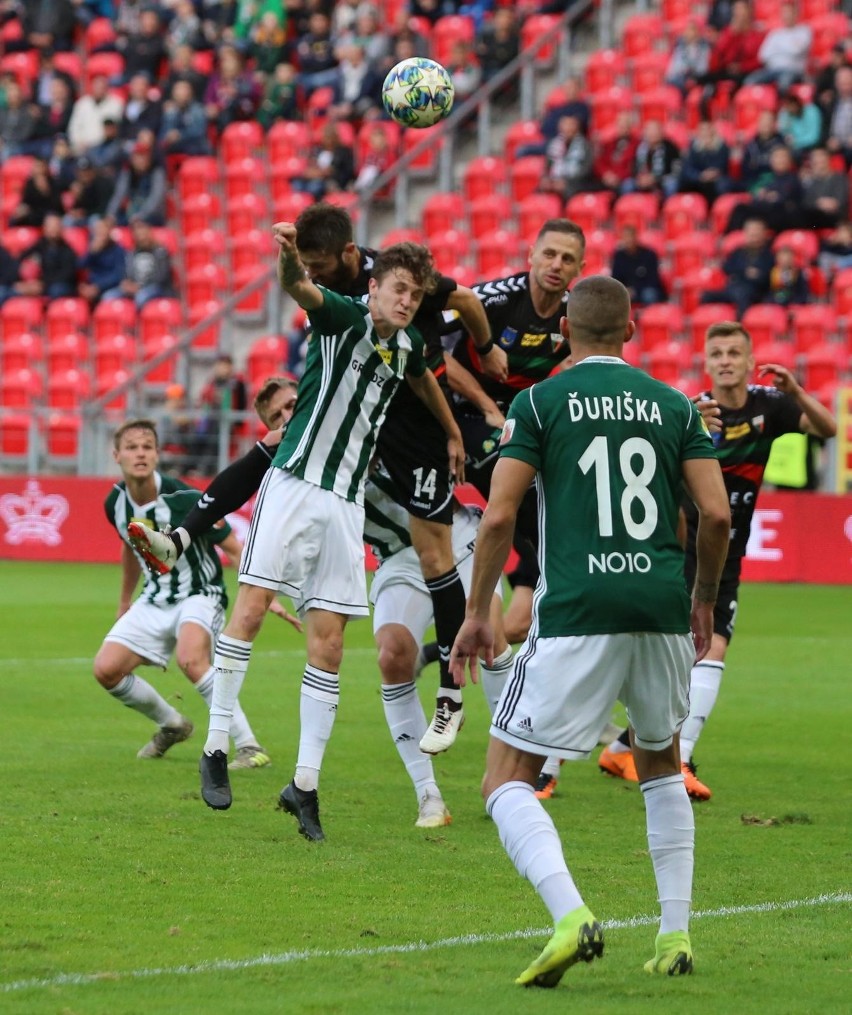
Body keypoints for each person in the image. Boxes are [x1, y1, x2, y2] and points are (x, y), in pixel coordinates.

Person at [449, 275, 730, 986]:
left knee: (504, 779)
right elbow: (716, 515)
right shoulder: (673, 405)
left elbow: (501, 514)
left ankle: (571, 914)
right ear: (631, 331)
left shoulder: (540, 400)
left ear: (566, 331)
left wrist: (478, 612)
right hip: (663, 608)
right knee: (660, 763)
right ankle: (674, 934)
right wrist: (702, 597)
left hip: (577, 609)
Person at [195, 232, 464, 842]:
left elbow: (423, 379)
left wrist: (451, 432)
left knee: (332, 647)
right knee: (253, 608)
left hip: (344, 506)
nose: (404, 300)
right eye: (397, 288)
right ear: (372, 288)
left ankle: (305, 786)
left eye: (414, 294)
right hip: (294, 484)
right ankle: (215, 748)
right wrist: (289, 255)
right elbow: (297, 286)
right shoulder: (343, 317)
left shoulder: (409, 345)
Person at [290, 204, 498, 755]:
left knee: (437, 555)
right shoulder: (332, 296)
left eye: (318, 264)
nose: (314, 273)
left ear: (351, 256)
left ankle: (452, 694)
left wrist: (486, 349)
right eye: (305, 265)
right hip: (364, 422)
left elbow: (460, 311)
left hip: (416, 434)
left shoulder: (401, 278)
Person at [600, 320, 836, 799]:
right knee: (690, 653)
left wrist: (796, 390)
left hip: (727, 550)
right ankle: (675, 761)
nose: (726, 360)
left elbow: (828, 430)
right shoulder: (690, 412)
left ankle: (625, 746)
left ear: (750, 362)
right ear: (705, 364)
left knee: (691, 655)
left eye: (734, 352)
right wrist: (680, 422)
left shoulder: (771, 406)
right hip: (677, 549)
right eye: (717, 354)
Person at [95, 418, 282, 770]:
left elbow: (233, 547)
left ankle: (248, 746)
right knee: (106, 669)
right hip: (155, 597)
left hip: (200, 593)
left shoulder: (184, 499)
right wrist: (124, 602)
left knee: (191, 659)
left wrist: (263, 593)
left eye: (147, 446)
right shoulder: (115, 503)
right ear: (116, 455)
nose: (140, 453)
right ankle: (172, 725)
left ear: (157, 454)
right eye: (132, 447)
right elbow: (130, 547)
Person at [700, 217, 774, 318]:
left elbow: (763, 278)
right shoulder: (738, 252)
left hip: (754, 292)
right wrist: (746, 272)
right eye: (750, 231)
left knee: (742, 296)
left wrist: (741, 273)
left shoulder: (769, 256)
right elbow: (728, 268)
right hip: (733, 288)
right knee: (706, 296)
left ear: (763, 233)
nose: (753, 235)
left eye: (756, 231)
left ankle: (739, 329)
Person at [101, 217, 175, 309]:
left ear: (149, 232)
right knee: (108, 296)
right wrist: (127, 283)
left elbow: (161, 277)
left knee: (141, 297)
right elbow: (127, 273)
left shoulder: (160, 252)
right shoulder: (132, 253)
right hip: (134, 288)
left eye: (143, 231)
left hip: (155, 288)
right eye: (137, 233)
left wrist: (139, 287)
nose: (140, 235)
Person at [745, 1, 811, 93]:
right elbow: (763, 55)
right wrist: (788, 47)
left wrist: (777, 48)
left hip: (793, 70)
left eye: (789, 12)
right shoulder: (775, 34)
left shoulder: (804, 31)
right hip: (772, 70)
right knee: (750, 80)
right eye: (784, 12)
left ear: (796, 13)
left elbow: (796, 51)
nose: (787, 16)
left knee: (784, 83)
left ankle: (784, 107)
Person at [610, 224, 666, 306]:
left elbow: (653, 280)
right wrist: (625, 289)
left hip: (645, 289)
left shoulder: (649, 255)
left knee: (649, 295)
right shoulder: (618, 256)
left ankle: (649, 316)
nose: (628, 240)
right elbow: (615, 278)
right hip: (626, 290)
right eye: (625, 237)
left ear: (636, 237)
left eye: (630, 237)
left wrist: (635, 290)